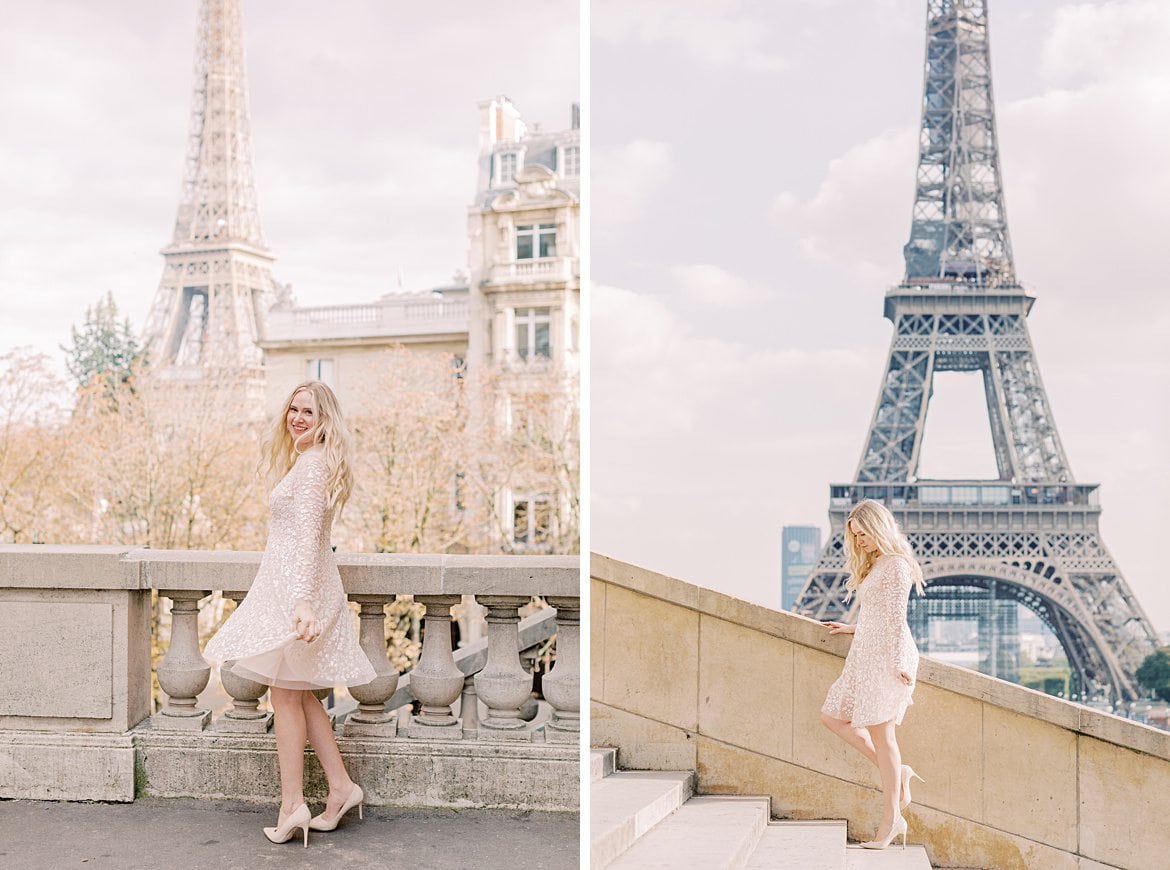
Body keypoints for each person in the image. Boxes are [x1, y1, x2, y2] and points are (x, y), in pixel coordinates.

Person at [204, 381, 377, 847]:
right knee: (299, 697)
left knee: (285, 698)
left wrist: (300, 601)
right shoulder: (308, 461)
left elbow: (306, 539)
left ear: (325, 421)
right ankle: (340, 787)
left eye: (309, 412)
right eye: (294, 409)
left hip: (299, 597)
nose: (298, 417)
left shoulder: (314, 466)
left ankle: (291, 805)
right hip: (293, 593)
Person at [819, 499, 925, 850]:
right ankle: (899, 774)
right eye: (855, 535)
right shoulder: (877, 563)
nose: (859, 541)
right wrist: (853, 629)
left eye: (863, 534)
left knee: (884, 738)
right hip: (865, 653)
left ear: (878, 527)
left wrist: (900, 664)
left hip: (886, 658)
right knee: (832, 717)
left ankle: (890, 819)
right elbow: (876, 614)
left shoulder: (895, 565)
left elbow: (896, 619)